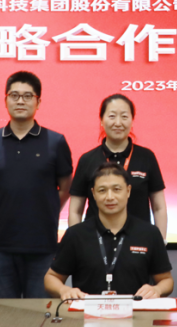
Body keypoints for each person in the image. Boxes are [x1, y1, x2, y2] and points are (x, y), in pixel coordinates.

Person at [0, 71, 73, 299]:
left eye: (28, 96)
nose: (20, 101)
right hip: (0, 247)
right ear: (6, 100)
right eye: (14, 95)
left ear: (38, 102)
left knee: (41, 316)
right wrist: (3, 209)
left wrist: (45, 210)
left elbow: (66, 188)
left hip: (42, 247)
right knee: (1, 315)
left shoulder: (56, 142)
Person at [45, 163, 173, 299]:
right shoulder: (76, 234)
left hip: (135, 310)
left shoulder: (149, 233)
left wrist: (157, 289)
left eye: (117, 189)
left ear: (128, 191)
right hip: (87, 310)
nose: (110, 197)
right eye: (102, 190)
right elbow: (51, 277)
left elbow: (166, 280)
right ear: (93, 193)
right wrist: (63, 290)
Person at [69, 94, 168, 237]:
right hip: (95, 241)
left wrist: (160, 242)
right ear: (101, 120)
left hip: (139, 241)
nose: (118, 123)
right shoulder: (87, 159)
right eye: (112, 116)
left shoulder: (146, 157)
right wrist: (75, 243)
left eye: (124, 116)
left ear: (132, 121)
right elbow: (75, 211)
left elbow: (159, 208)